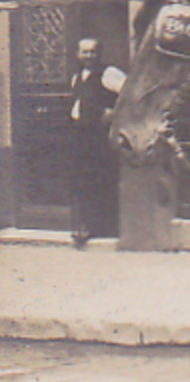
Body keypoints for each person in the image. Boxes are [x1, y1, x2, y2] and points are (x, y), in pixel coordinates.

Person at [67, 37, 126, 248]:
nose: (88, 56)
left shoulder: (109, 73)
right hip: (81, 137)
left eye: (92, 52)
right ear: (78, 54)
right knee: (83, 181)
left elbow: (130, 94)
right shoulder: (76, 77)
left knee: (102, 179)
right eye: (84, 52)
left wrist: (113, 113)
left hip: (101, 138)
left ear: (99, 53)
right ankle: (85, 226)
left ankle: (106, 227)